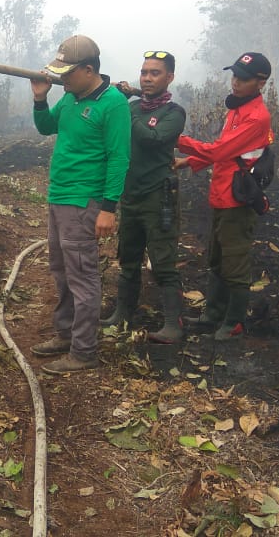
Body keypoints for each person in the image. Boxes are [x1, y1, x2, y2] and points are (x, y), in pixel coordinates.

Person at [29, 35, 131, 374]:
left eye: (67, 73)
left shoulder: (113, 104)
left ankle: (84, 350)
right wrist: (40, 99)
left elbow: (119, 159)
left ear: (89, 70)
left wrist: (107, 208)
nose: (62, 79)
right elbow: (46, 127)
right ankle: (66, 333)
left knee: (82, 277)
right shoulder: (70, 98)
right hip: (59, 196)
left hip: (83, 202)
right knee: (61, 270)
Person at [174, 52, 273, 341]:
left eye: (243, 79)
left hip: (237, 201)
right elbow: (225, 151)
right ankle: (212, 315)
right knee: (216, 259)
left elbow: (218, 151)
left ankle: (234, 322)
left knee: (235, 261)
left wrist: (177, 139)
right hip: (221, 194)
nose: (235, 83)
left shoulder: (257, 117)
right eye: (234, 76)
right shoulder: (237, 110)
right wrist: (190, 162)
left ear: (261, 82)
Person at [100, 52, 189, 344]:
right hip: (131, 194)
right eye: (144, 72)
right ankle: (123, 314)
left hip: (158, 196)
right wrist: (115, 101)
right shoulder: (134, 107)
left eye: (154, 73)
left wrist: (126, 111)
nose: (147, 78)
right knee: (128, 258)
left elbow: (154, 139)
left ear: (169, 78)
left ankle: (172, 325)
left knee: (163, 261)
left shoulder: (174, 113)